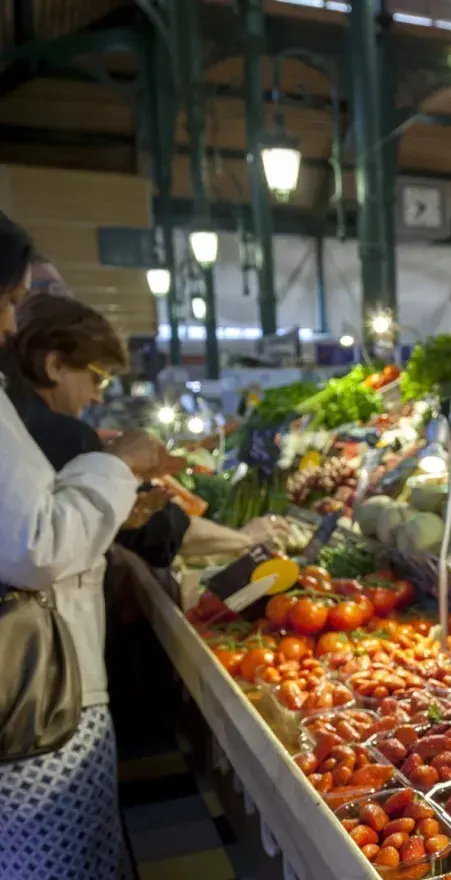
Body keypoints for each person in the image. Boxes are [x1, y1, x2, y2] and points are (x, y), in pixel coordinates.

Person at [0, 212, 172, 879]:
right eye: (10, 300)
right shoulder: (57, 430)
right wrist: (120, 464)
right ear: (54, 364)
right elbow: (33, 544)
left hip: (32, 695)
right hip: (39, 700)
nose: (10, 325)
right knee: (68, 863)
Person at [5, 293, 282, 566]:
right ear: (55, 366)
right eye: (98, 378)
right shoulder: (62, 435)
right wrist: (244, 538)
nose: (97, 397)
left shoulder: (14, 419)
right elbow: (156, 531)